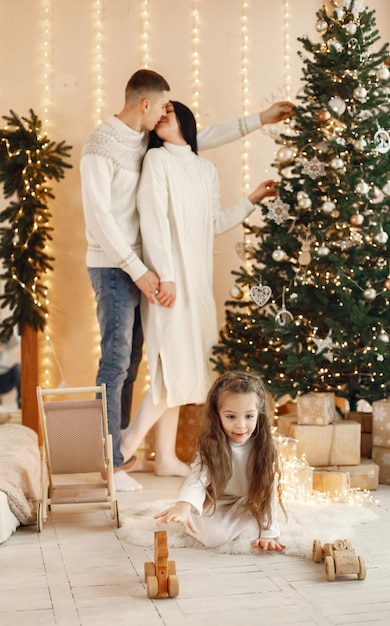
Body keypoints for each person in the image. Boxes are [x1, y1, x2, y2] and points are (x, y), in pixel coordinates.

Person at [80, 68, 293, 492]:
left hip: (152, 271)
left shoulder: (153, 145)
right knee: (123, 359)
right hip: (122, 266)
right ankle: (113, 455)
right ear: (147, 105)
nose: (164, 113)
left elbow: (203, 138)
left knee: (145, 361)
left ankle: (153, 456)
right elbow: (110, 220)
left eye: (170, 111)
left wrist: (260, 121)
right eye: (162, 106)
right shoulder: (111, 148)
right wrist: (152, 275)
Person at [120, 100, 282, 483]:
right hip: (167, 281)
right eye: (158, 113)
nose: (161, 116)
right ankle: (124, 447)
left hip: (198, 284)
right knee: (168, 369)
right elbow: (153, 222)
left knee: (189, 368)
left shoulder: (205, 169)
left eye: (169, 112)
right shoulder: (156, 162)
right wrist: (166, 275)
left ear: (187, 121)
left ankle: (165, 460)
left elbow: (215, 222)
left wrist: (253, 199)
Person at [154, 371, 286, 552]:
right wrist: (183, 504)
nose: (241, 425)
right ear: (217, 415)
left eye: (249, 416)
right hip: (218, 502)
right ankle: (194, 515)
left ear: (259, 414)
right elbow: (198, 478)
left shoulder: (264, 445)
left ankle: (252, 526)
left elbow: (267, 489)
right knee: (211, 536)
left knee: (254, 531)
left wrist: (269, 532)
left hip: (247, 502)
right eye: (231, 417)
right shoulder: (212, 444)